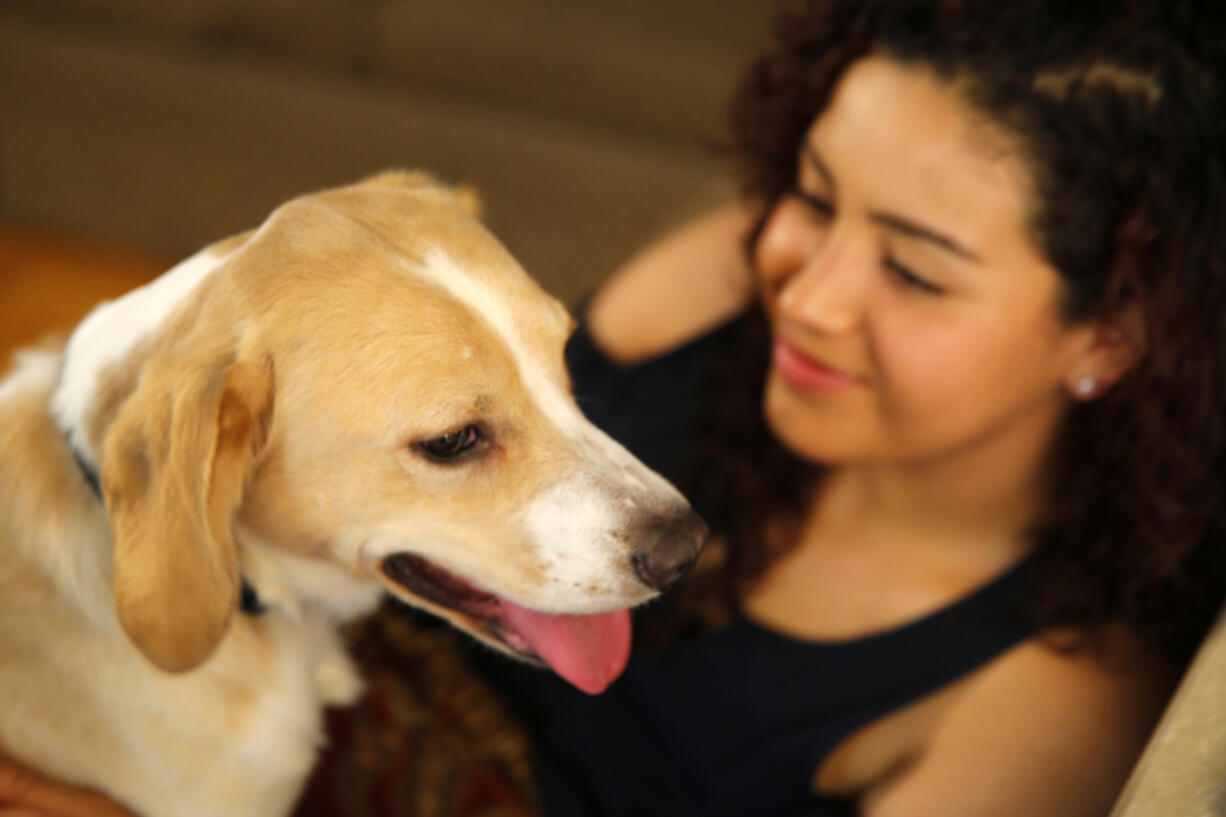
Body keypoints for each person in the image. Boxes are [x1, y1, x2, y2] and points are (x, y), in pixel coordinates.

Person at [4, 1, 1224, 815]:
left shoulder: (1051, 701)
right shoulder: (733, 277)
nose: (801, 292)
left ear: (1108, 331)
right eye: (809, 190)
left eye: (911, 269)